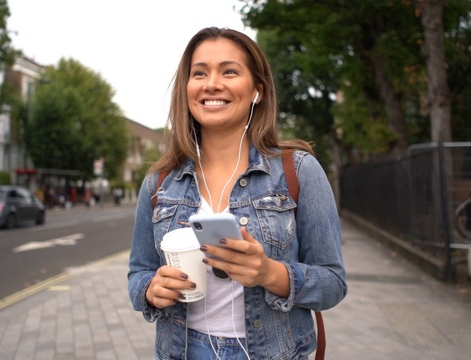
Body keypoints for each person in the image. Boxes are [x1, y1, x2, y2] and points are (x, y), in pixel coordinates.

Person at [127, 26, 347, 360]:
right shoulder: (159, 181)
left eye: (229, 71)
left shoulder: (298, 171)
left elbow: (333, 283)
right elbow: (138, 273)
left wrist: (270, 274)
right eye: (199, 73)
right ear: (187, 89)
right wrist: (150, 289)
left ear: (257, 90)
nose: (212, 83)